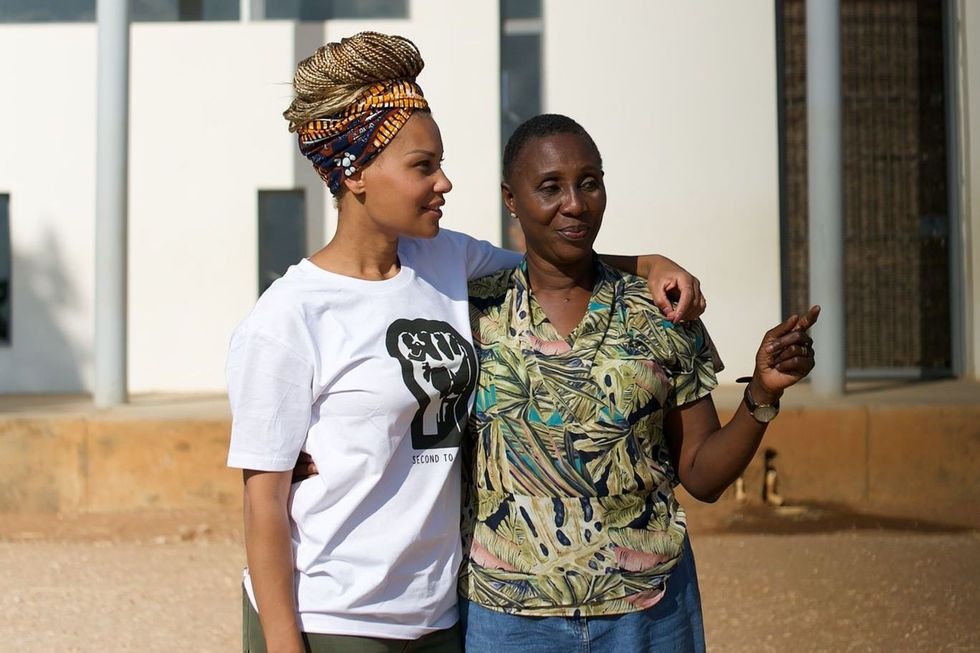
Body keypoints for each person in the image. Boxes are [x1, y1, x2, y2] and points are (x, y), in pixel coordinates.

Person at [225, 33, 706, 653]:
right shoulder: (289, 316)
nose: (445, 182)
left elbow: (554, 258)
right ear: (356, 172)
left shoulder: (446, 259)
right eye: (423, 166)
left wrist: (649, 263)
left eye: (441, 162)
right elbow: (262, 503)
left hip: (441, 615)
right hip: (335, 618)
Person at [458, 114, 819, 652]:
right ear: (511, 199)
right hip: (509, 620)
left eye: (589, 182)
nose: (575, 204)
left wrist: (763, 393)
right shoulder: (469, 313)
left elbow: (701, 475)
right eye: (550, 187)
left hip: (648, 615)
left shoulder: (660, 311)